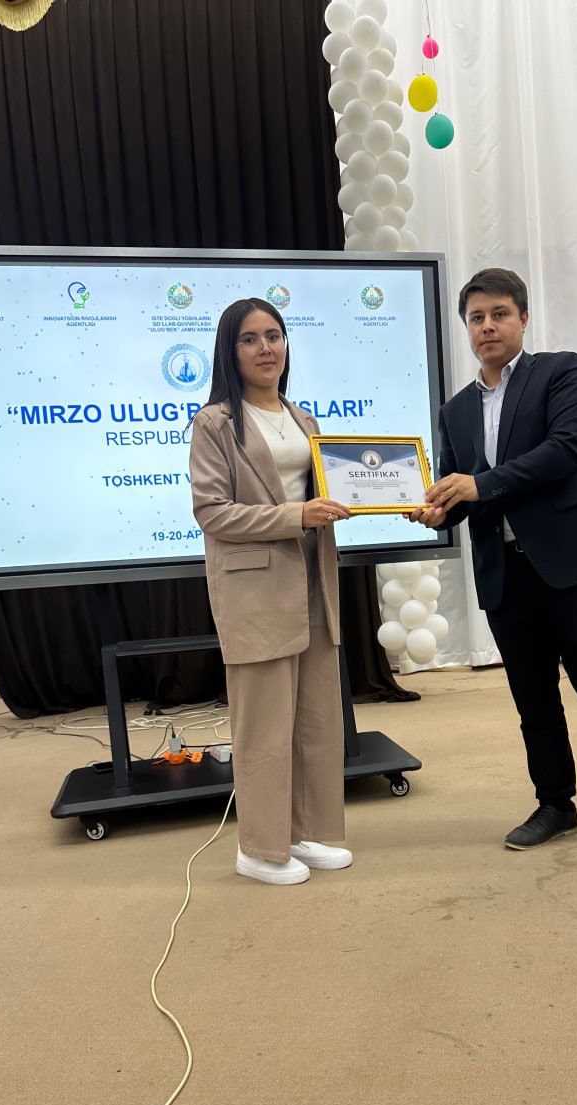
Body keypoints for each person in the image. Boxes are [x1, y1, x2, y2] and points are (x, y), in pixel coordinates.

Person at [406, 267, 577, 864]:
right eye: (476, 318)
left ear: (523, 318)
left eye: (499, 314)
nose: (487, 326)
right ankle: (556, 805)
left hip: (573, 564)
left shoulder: (560, 371)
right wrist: (436, 510)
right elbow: (461, 491)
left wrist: (477, 485)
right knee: (534, 704)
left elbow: (564, 451)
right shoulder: (455, 410)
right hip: (505, 575)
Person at [189, 297, 353, 884]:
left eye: (274, 336)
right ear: (230, 351)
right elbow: (212, 512)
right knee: (264, 726)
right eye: (250, 339)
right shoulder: (214, 423)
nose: (266, 349)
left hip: (312, 578)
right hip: (255, 587)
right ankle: (258, 849)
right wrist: (295, 516)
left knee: (314, 718)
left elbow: (324, 492)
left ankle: (300, 832)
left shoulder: (303, 420)